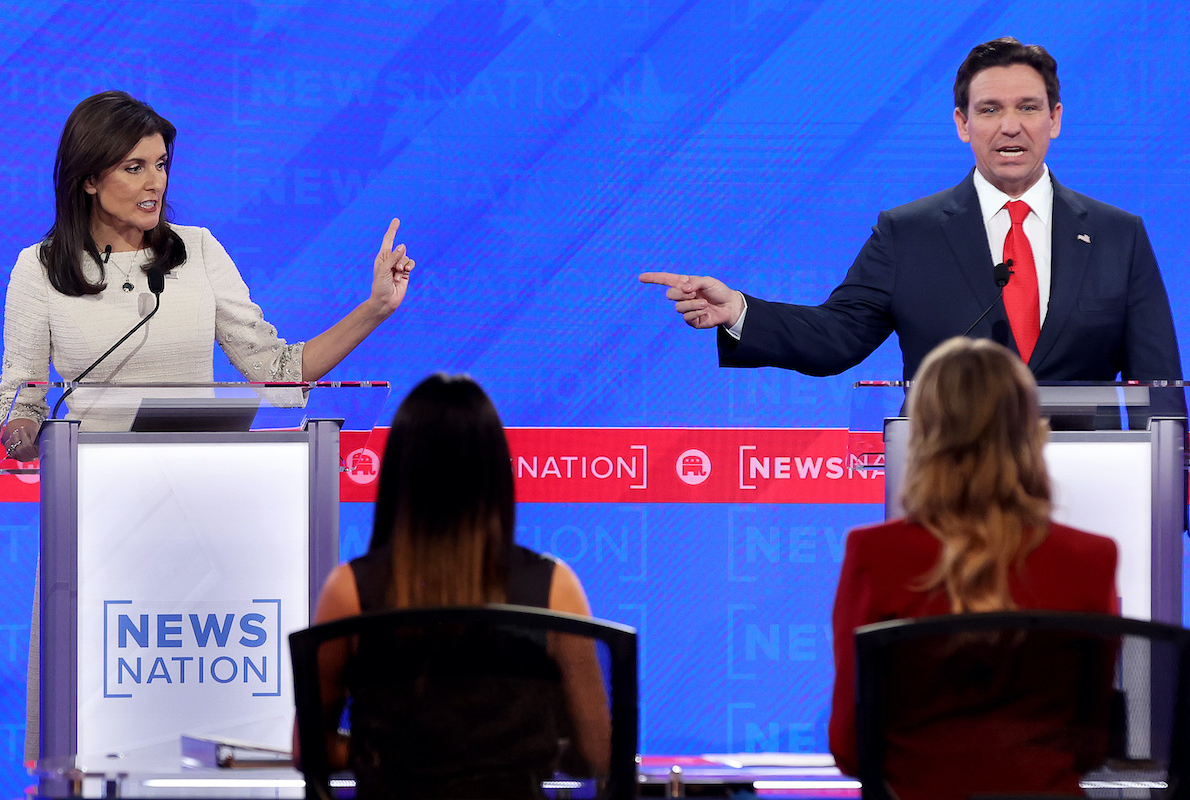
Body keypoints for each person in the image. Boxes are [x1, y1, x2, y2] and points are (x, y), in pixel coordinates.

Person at [640, 37, 1181, 384]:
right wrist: (738, 309)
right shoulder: (908, 233)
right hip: (950, 495)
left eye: (1028, 108)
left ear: (1055, 119)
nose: (1010, 125)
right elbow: (837, 337)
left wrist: (1168, 503)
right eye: (989, 109)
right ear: (962, 124)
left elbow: (1158, 384)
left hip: (1087, 500)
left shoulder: (1118, 235)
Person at [0, 90, 416, 461]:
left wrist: (375, 308)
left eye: (160, 164)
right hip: (90, 489)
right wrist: (25, 442)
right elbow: (19, 404)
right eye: (134, 167)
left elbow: (276, 371)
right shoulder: (40, 268)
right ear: (89, 179)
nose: (155, 182)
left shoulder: (197, 249)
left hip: (200, 483)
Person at [828, 337, 1118, 798]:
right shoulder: (1091, 557)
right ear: (1029, 432)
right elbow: (1092, 742)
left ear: (923, 435)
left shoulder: (875, 554)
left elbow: (849, 748)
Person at [298, 373, 611, 796]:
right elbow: (597, 751)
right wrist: (523, 754)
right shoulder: (556, 588)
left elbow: (309, 750)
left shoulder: (349, 589)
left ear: (398, 472)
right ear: (496, 470)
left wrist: (385, 753)